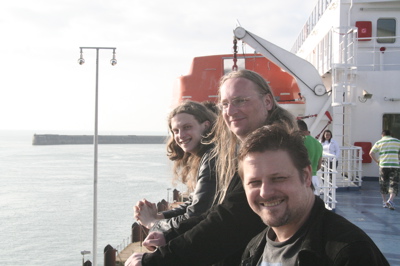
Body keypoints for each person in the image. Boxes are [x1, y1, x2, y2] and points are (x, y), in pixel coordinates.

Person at [124, 69, 297, 266]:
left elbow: (230, 220)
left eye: (241, 100)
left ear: (267, 101)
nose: (231, 111)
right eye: (225, 104)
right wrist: (170, 233)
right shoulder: (253, 148)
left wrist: (158, 256)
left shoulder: (272, 151)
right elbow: (222, 211)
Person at [239, 125, 389, 266]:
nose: (265, 192)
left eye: (278, 178)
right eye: (254, 182)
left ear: (306, 176)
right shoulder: (254, 248)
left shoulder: (351, 253)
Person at [134, 100, 218, 232]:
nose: (180, 135)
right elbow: (194, 203)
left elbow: (195, 215)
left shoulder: (212, 158)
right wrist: (159, 216)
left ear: (206, 125)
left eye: (187, 127)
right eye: (176, 131)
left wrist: (152, 223)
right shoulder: (207, 154)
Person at [369, 129, 400, 210]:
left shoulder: (379, 142)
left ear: (382, 135)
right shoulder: (397, 141)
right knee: (394, 184)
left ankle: (384, 201)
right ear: (391, 134)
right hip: (395, 166)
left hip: (383, 166)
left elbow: (371, 153)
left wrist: (377, 161)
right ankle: (390, 200)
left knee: (383, 183)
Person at [297, 119, 323, 195]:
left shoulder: (299, 142)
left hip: (302, 179)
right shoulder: (318, 143)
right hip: (314, 179)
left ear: (298, 129)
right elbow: (319, 166)